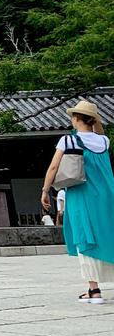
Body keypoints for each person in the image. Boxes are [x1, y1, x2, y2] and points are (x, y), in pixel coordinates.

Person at [40, 101, 114, 305]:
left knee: (85, 236)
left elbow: (54, 167)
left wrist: (46, 190)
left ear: (75, 119)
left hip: (81, 194)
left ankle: (94, 290)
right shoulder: (104, 142)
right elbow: (100, 132)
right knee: (108, 233)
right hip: (107, 193)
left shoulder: (68, 140)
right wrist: (95, 118)